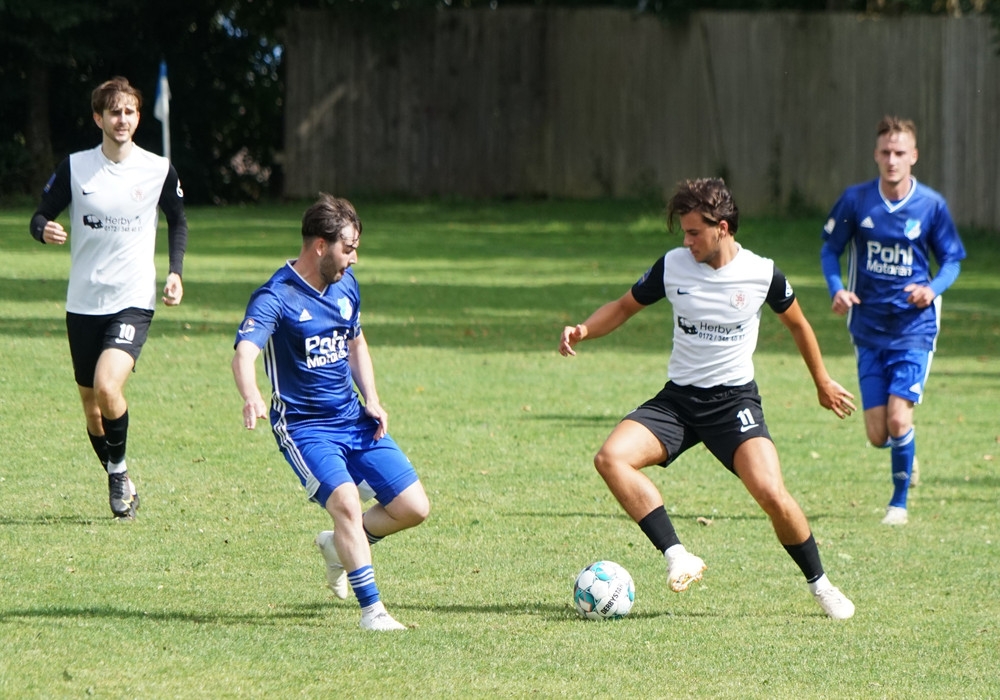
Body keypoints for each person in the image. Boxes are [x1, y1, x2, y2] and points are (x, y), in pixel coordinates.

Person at [560, 178, 857, 619]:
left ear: (722, 228)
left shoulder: (762, 273)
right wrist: (583, 329)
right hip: (678, 402)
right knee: (611, 458)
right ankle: (677, 555)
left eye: (694, 232)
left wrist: (822, 381)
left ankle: (822, 585)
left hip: (734, 404)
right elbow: (624, 307)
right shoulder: (673, 266)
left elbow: (798, 324)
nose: (687, 241)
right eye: (684, 232)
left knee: (772, 494)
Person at [232, 193, 429, 632]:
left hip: (353, 418)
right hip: (304, 427)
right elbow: (244, 353)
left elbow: (356, 342)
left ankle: (338, 547)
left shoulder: (345, 284)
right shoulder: (276, 296)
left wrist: (372, 397)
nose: (354, 259)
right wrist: (251, 395)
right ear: (321, 245)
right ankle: (372, 612)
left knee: (413, 507)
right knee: (345, 502)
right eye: (349, 248)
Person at [29, 76, 188, 520]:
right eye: (114, 112)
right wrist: (43, 230)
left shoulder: (157, 169)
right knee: (91, 407)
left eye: (130, 112)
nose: (123, 119)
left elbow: (178, 220)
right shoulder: (76, 167)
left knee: (107, 386)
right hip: (83, 301)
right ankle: (121, 475)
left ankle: (117, 475)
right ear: (98, 118)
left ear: (138, 118)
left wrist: (175, 272)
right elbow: (39, 215)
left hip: (133, 299)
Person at [821, 116, 966, 527]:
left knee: (899, 418)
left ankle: (898, 505)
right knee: (878, 434)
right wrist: (837, 288)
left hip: (914, 328)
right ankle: (906, 450)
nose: (892, 159)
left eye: (899, 152)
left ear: (913, 156)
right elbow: (830, 250)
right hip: (868, 327)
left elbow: (952, 260)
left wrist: (932, 289)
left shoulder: (931, 205)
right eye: (885, 152)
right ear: (875, 154)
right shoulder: (856, 201)